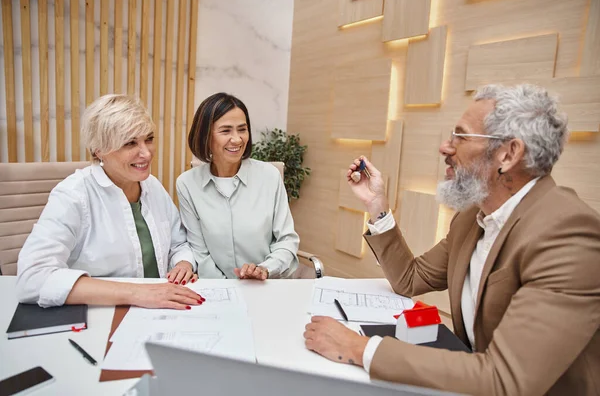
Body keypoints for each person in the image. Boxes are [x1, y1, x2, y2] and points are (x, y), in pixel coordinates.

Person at [303, 84, 600, 395]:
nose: (445, 147)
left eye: (461, 136)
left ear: (509, 154)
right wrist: (377, 207)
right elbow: (410, 279)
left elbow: (506, 380)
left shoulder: (568, 234)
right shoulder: (471, 219)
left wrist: (360, 348)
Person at [17, 94, 204, 309]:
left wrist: (183, 263)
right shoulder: (73, 194)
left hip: (159, 309)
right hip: (101, 316)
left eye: (149, 139)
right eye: (130, 143)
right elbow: (31, 278)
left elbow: (179, 243)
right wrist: (136, 293)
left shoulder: (152, 186)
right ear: (99, 151)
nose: (146, 153)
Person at [176, 92, 299, 280]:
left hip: (266, 287)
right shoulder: (187, 184)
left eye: (242, 129)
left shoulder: (270, 177)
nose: (237, 139)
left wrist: (264, 269)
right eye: (225, 131)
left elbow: (286, 240)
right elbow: (199, 251)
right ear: (205, 136)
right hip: (216, 290)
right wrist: (227, 289)